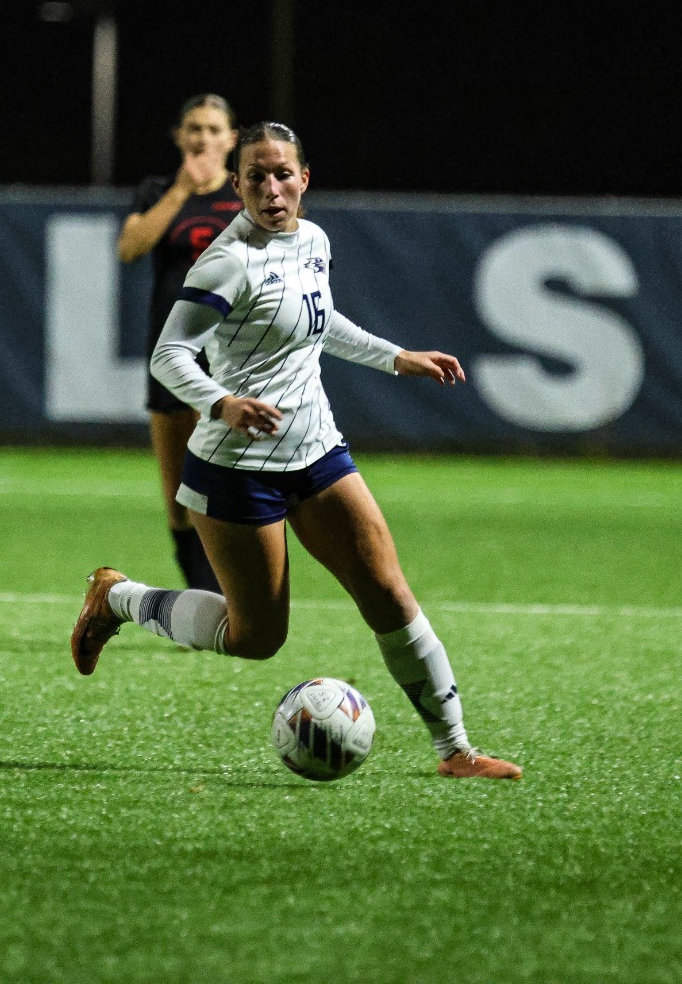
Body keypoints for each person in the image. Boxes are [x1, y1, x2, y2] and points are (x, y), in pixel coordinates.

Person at [72, 122, 521, 780]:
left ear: (304, 178)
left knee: (389, 593)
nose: (272, 187)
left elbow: (318, 319)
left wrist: (396, 357)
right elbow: (168, 354)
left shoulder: (313, 239)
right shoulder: (227, 262)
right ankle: (117, 598)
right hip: (235, 465)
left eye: (283, 173)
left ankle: (456, 750)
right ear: (238, 186)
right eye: (256, 176)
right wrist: (221, 402)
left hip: (316, 450)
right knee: (256, 638)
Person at [116, 93, 241, 592]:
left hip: (233, 351)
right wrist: (180, 192)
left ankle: (226, 589)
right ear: (179, 137)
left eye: (214, 129)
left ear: (232, 139)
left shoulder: (246, 194)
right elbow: (130, 247)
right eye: (195, 129)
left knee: (227, 472)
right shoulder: (157, 190)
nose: (204, 139)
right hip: (174, 348)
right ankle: (200, 589)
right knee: (178, 491)